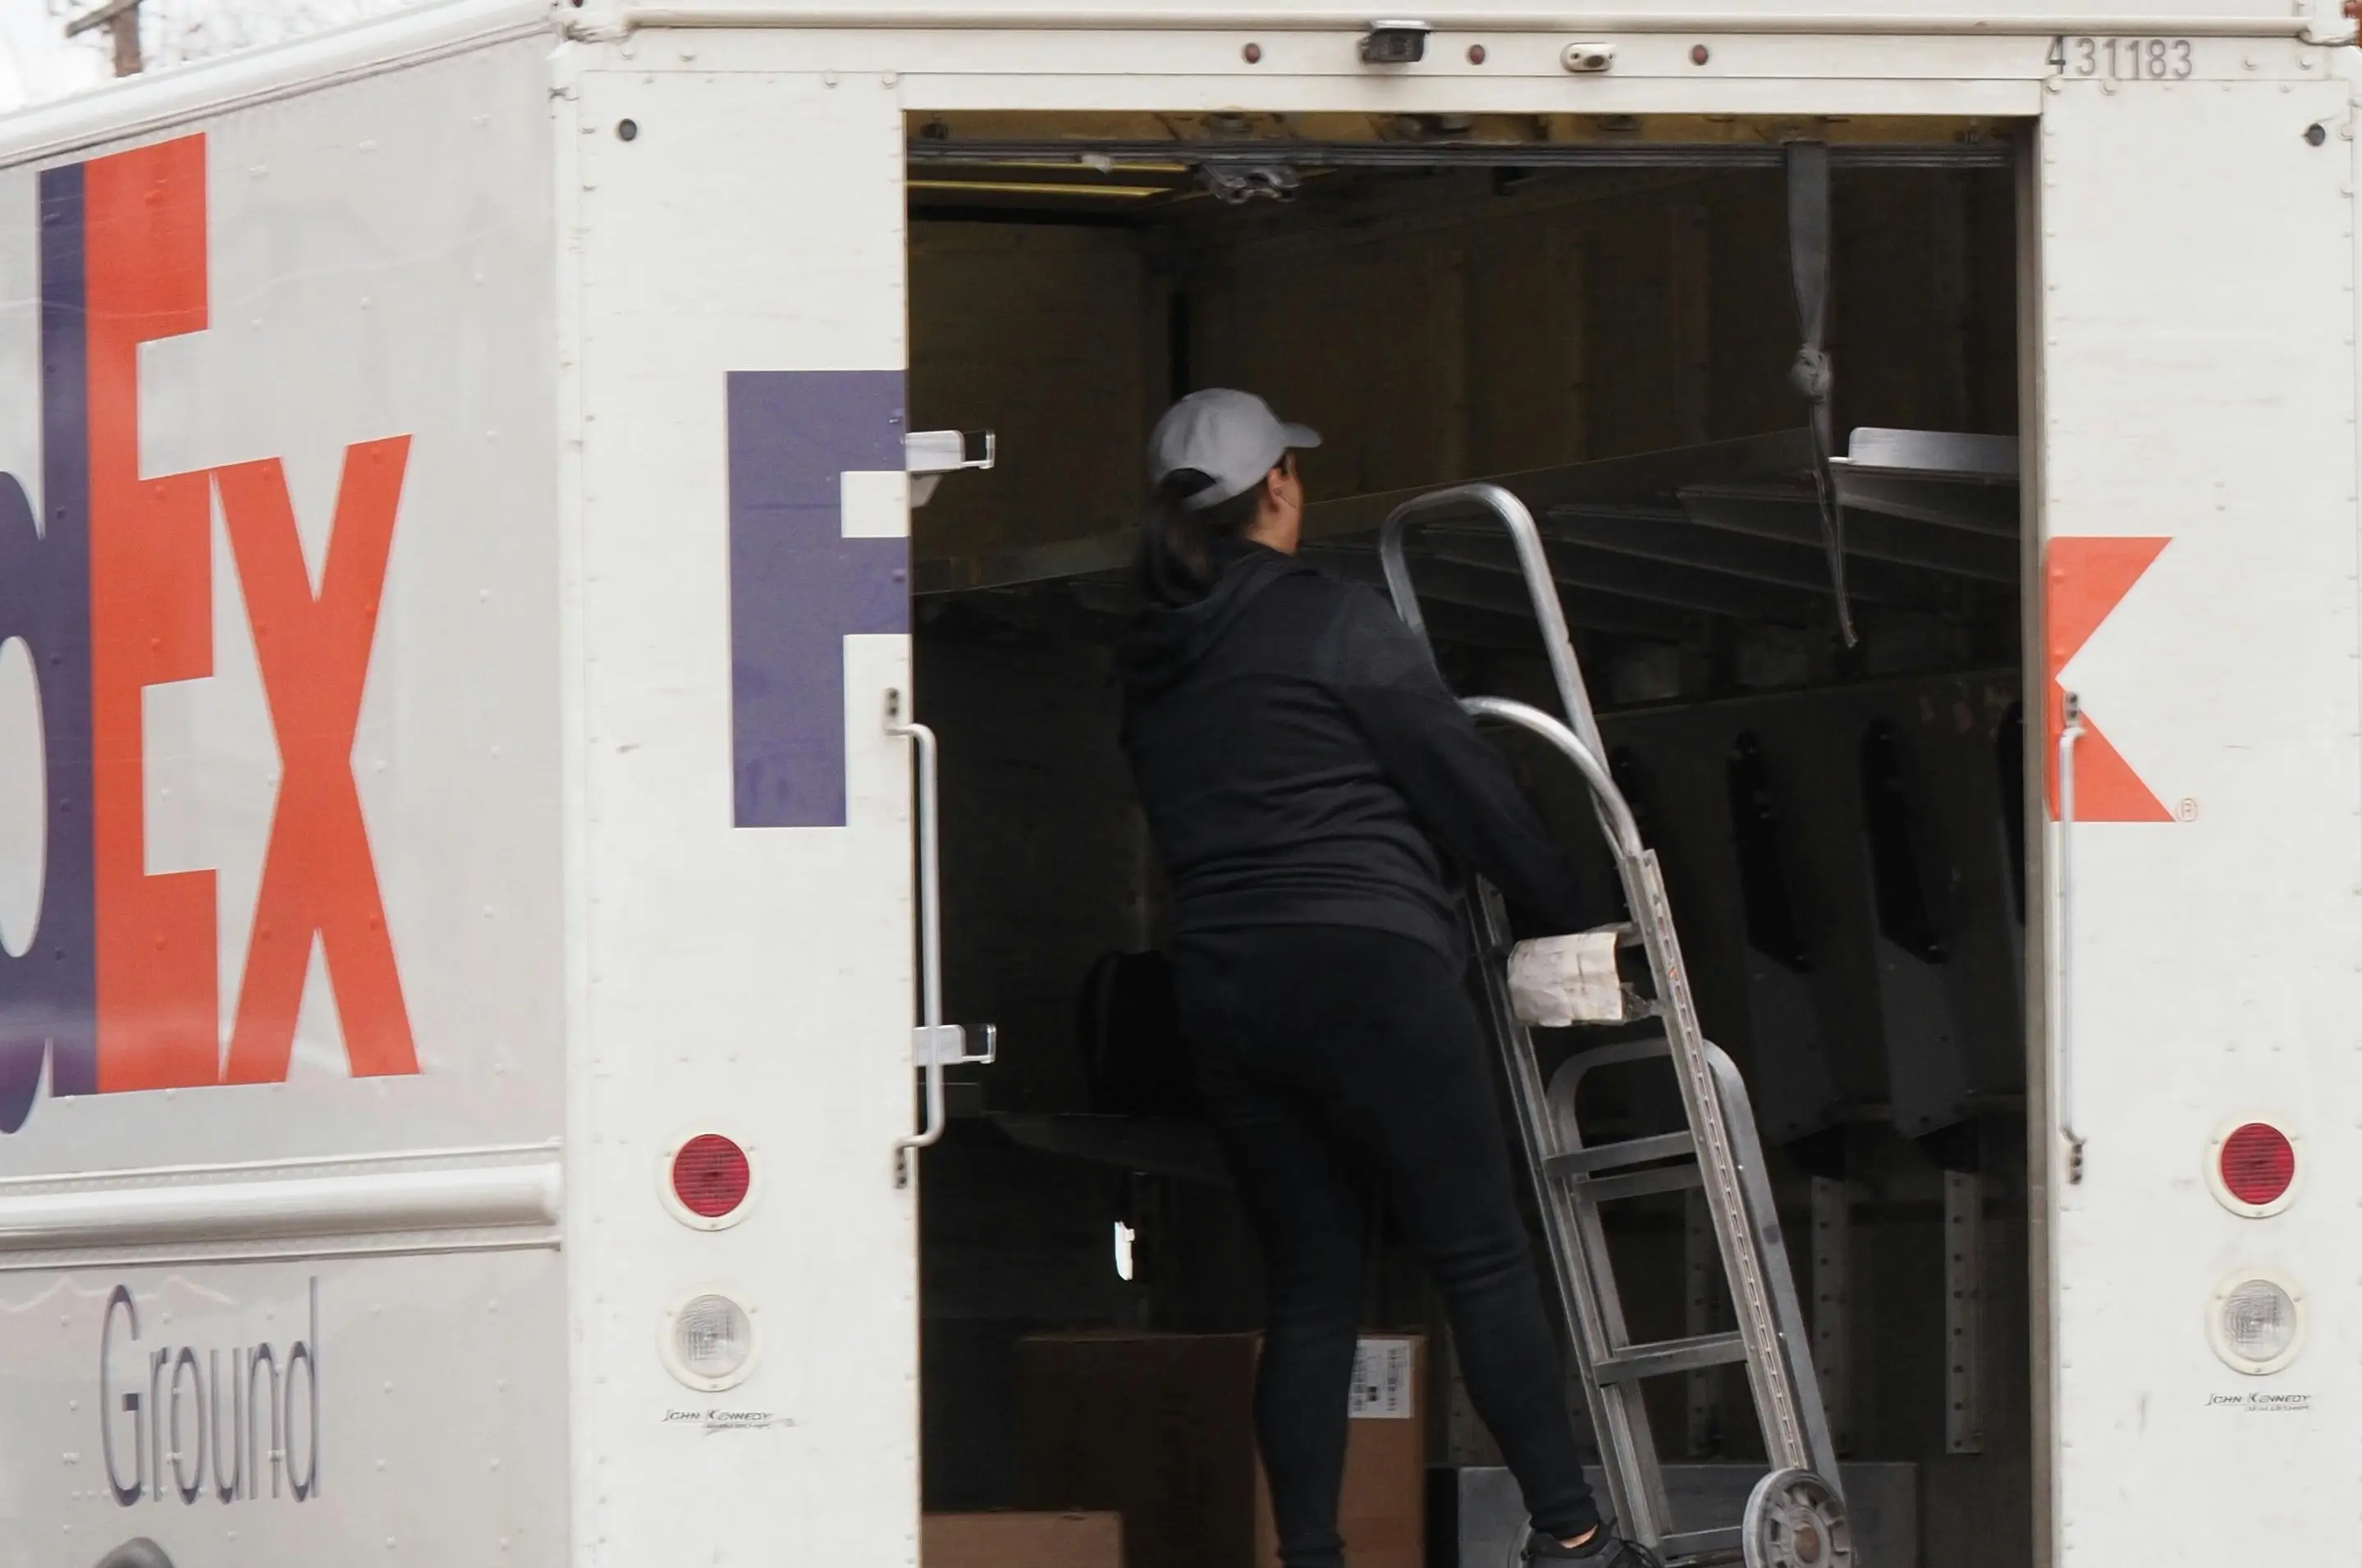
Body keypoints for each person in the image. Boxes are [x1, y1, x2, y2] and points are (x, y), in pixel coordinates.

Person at [1117, 389, 1659, 1568]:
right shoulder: (1332, 621)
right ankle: (1571, 1535)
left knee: (1311, 1286)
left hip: (1227, 993)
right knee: (1479, 1254)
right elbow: (1462, 781)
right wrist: (1571, 912)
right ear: (1277, 486)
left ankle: (1311, 1554)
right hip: (1367, 966)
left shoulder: (1151, 659)